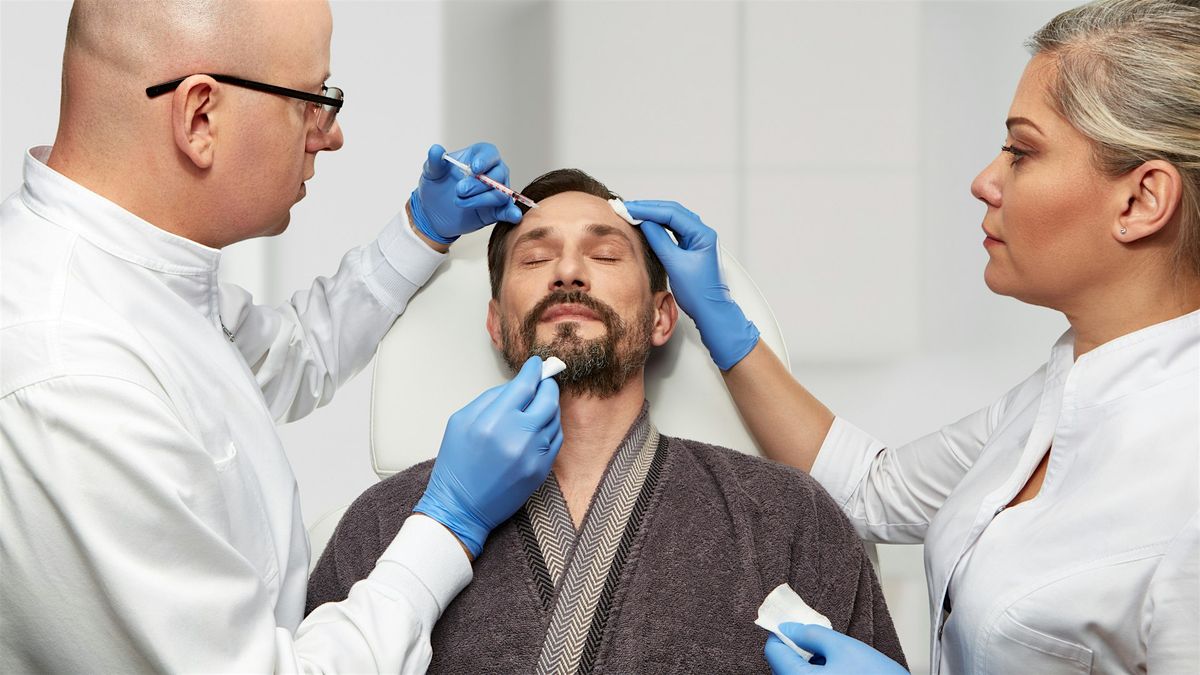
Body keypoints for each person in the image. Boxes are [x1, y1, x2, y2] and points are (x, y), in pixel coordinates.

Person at [624, 0, 1200, 673]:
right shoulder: (1064, 386)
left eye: (1021, 152)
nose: (984, 181)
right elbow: (872, 490)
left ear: (1141, 200)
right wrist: (726, 323)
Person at [0, 1, 563, 672]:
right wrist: (449, 523)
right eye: (312, 102)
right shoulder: (70, 380)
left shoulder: (133, 277)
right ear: (200, 117)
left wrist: (421, 230)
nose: (331, 135)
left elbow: (284, 357)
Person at [305, 169, 908, 674]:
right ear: (496, 324)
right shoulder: (385, 527)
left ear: (662, 317)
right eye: (536, 257)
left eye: (605, 254)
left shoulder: (787, 518)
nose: (568, 272)